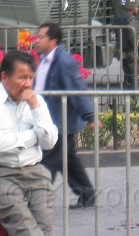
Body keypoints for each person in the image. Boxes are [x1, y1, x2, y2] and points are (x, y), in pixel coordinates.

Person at [0, 50, 58, 236]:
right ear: (5, 77)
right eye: (22, 78)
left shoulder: (37, 101)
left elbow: (49, 141)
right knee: (27, 230)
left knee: (46, 230)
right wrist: (32, 137)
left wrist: (35, 107)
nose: (27, 84)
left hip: (34, 172)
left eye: (30, 78)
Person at [33, 23, 96, 210]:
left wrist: (90, 116)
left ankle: (37, 198)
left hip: (60, 122)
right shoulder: (43, 59)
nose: (37, 40)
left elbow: (76, 88)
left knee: (49, 161)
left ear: (53, 41)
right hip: (48, 119)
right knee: (67, 160)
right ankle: (87, 195)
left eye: (41, 37)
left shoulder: (63, 61)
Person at [114, 0, 139, 89]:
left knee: (128, 76)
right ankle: (137, 100)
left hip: (122, 51)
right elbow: (133, 36)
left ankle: (129, 100)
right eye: (137, 6)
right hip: (132, 52)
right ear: (132, 7)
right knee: (137, 76)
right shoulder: (132, 19)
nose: (138, 8)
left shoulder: (118, 17)